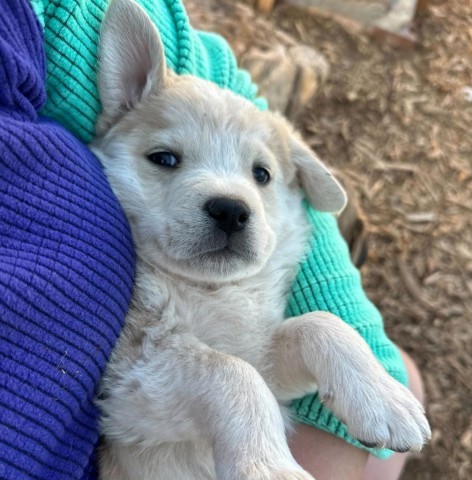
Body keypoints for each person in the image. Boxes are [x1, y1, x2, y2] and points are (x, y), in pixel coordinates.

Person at [0, 0, 425, 479]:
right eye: (165, 158)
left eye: (260, 173)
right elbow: (136, 388)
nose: (230, 201)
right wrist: (242, 413)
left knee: (373, 360)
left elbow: (266, 364)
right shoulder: (130, 280)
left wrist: (329, 346)